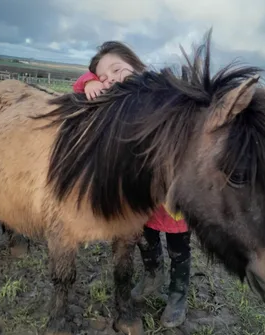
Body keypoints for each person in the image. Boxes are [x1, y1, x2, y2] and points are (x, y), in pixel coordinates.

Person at [73, 41, 192, 328]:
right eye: (105, 78)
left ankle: (178, 296)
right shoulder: (115, 101)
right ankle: (152, 275)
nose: (111, 79)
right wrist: (90, 81)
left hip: (172, 190)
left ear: (136, 64)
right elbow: (77, 90)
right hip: (140, 193)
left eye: (116, 69)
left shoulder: (158, 87)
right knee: (146, 239)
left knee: (178, 246)